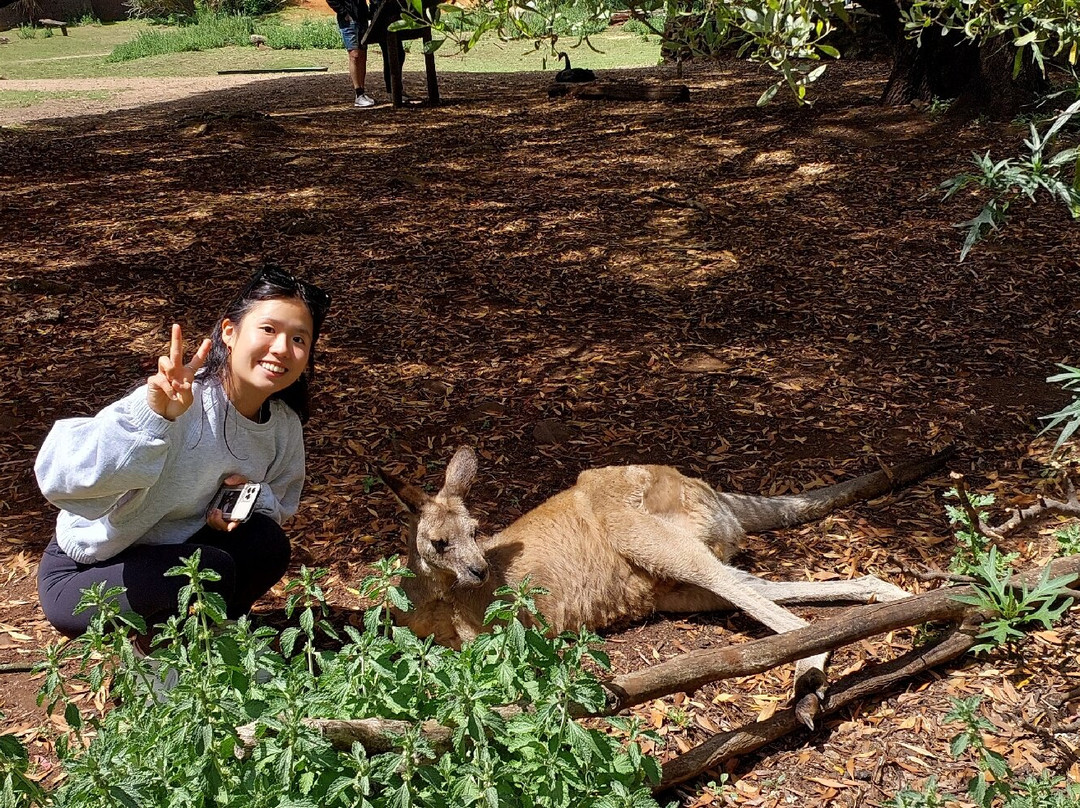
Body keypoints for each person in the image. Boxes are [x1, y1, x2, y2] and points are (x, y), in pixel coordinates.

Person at [35, 268, 331, 645]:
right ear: (229, 332)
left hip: (177, 555)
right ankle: (158, 660)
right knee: (207, 568)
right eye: (269, 330)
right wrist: (154, 418)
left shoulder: (283, 426)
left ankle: (204, 642)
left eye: (298, 338)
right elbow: (59, 478)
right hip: (84, 572)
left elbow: (279, 501)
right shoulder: (180, 399)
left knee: (265, 545)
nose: (281, 348)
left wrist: (244, 505)